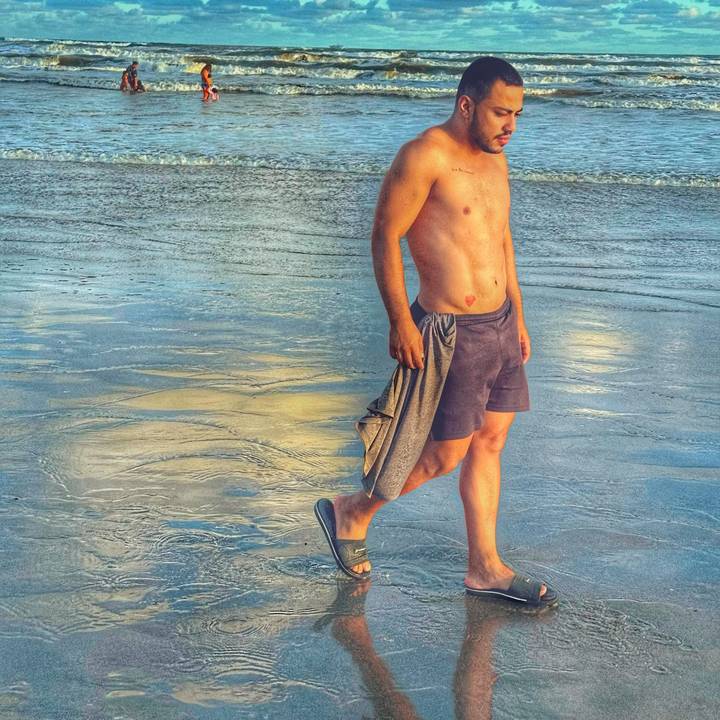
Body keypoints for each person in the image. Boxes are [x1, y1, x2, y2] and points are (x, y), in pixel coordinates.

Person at [314, 57, 558, 609]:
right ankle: (351, 511)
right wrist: (400, 319)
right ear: (466, 105)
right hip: (450, 331)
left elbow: (501, 239)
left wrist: (518, 314)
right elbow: (385, 236)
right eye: (500, 112)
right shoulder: (424, 156)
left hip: (499, 325)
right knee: (446, 454)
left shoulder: (497, 159)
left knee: (491, 442)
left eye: (517, 115)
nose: (510, 125)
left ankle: (485, 568)